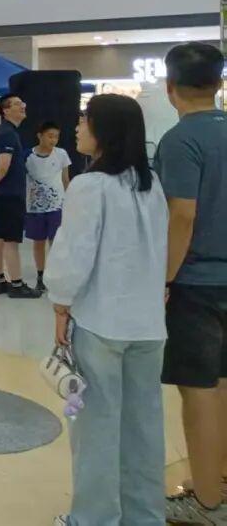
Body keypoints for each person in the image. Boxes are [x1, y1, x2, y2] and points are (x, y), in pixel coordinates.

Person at [46, 94, 168, 526]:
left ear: (105, 131)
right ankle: (145, 516)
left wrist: (60, 304)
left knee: (94, 426)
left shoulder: (89, 186)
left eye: (85, 119)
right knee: (143, 427)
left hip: (100, 322)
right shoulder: (151, 184)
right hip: (148, 326)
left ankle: (93, 518)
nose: (78, 126)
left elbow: (73, 255)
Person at [154, 42, 227, 524]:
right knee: (223, 385)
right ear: (219, 84)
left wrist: (165, 277)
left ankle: (207, 504)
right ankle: (217, 482)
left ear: (170, 87)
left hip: (198, 283)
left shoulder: (180, 140)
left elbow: (182, 214)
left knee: (198, 391)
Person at [0, 93, 40, 298]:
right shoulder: (8, 134)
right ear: (5, 110)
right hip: (10, 194)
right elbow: (3, 165)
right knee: (11, 240)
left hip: (3, 194)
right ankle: (16, 284)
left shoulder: (6, 131)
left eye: (22, 102)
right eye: (17, 104)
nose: (22, 106)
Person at [25, 120, 71, 295]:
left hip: (56, 206)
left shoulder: (61, 154)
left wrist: (70, 201)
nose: (53, 140)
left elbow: (65, 179)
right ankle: (40, 275)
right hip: (35, 207)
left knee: (56, 241)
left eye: (56, 137)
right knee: (38, 242)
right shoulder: (28, 156)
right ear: (40, 136)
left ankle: (55, 274)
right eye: (50, 136)